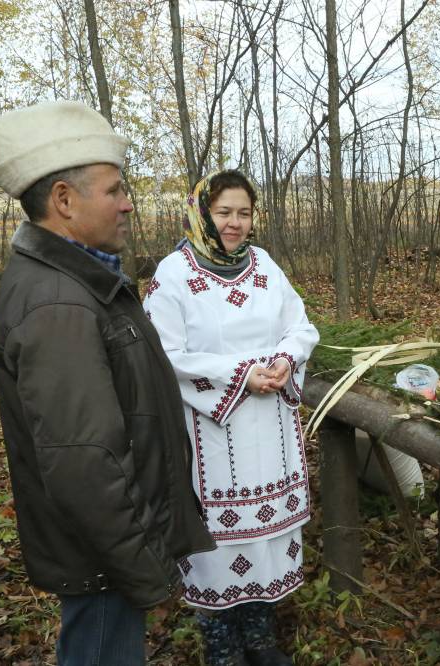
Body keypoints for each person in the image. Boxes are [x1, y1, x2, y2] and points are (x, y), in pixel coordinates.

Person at [0, 100, 216, 665]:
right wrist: (142, 567)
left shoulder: (82, 281)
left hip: (108, 549)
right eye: (114, 190)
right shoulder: (58, 303)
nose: (128, 203)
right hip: (104, 559)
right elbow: (84, 460)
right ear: (64, 201)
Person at [144, 170, 319, 666]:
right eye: (224, 213)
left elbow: (299, 325)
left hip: (272, 436)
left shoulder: (264, 265)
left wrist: (286, 358)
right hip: (213, 438)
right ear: (202, 213)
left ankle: (261, 642)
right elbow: (165, 354)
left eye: (244, 213)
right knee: (219, 546)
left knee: (264, 539)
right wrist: (241, 374)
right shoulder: (173, 275)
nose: (235, 224)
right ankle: (223, 651)